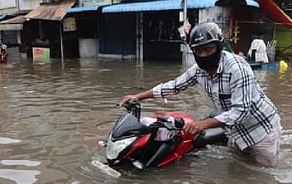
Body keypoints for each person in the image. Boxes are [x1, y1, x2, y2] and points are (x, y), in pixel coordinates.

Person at [119, 22, 282, 167]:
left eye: (208, 49)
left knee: (262, 176)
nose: (203, 55)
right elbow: (174, 86)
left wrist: (201, 124)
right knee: (237, 169)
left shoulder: (237, 68)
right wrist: (138, 97)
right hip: (234, 130)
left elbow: (241, 111)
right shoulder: (199, 71)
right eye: (198, 51)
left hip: (261, 129)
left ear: (219, 47)